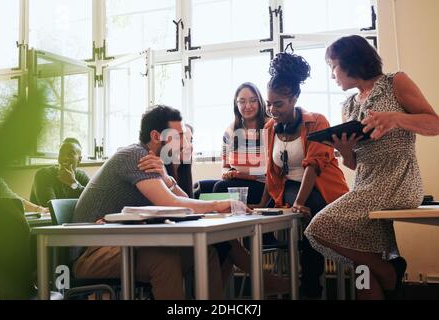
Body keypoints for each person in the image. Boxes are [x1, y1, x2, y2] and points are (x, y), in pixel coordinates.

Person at [305, 35, 439, 300]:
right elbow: (355, 163)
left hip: (399, 182)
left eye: (333, 67)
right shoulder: (349, 105)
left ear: (350, 61)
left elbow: (434, 124)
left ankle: (388, 272)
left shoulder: (394, 82)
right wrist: (345, 152)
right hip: (365, 185)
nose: (332, 75)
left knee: (317, 227)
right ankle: (382, 271)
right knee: (362, 270)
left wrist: (396, 118)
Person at [72, 105, 242, 300]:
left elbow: (183, 203)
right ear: (155, 136)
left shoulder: (154, 162)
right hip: (92, 252)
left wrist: (167, 178)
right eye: (177, 136)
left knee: (205, 253)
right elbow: (172, 203)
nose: (183, 143)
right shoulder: (136, 156)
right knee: (164, 261)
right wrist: (216, 205)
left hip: (124, 243)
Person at [138, 124, 291, 297]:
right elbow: (175, 205)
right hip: (163, 235)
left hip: (179, 231)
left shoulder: (182, 170)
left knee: (223, 246)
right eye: (183, 139)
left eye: (191, 140)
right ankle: (265, 281)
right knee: (224, 245)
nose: (188, 144)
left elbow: (189, 205)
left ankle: (258, 282)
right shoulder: (158, 168)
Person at [256, 51, 349, 299]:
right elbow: (272, 172)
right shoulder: (269, 128)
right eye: (269, 104)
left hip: (322, 187)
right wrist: (261, 204)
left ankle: (311, 288)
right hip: (290, 187)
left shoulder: (317, 121)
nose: (272, 110)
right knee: (303, 212)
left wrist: (299, 202)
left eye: (278, 104)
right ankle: (306, 285)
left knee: (312, 209)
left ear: (295, 98)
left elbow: (313, 165)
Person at [30, 138, 90, 207]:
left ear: (79, 160)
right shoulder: (44, 175)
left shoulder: (82, 176)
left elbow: (93, 200)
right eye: (62, 153)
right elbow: (52, 209)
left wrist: (73, 183)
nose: (65, 158)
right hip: (48, 217)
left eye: (70, 154)